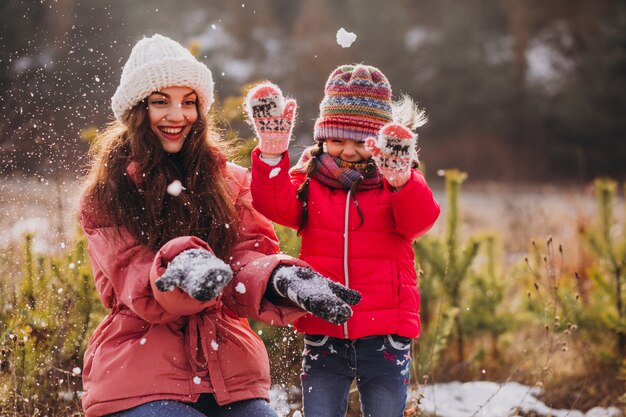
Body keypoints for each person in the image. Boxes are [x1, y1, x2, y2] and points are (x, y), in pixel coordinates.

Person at [78, 34, 360, 417]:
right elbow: (139, 282)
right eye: (161, 102)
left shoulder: (231, 181)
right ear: (136, 111)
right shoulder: (107, 194)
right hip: (139, 370)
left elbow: (246, 258)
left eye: (188, 101)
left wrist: (279, 279)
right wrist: (184, 269)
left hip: (227, 367)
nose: (178, 115)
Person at [245, 64, 441, 417]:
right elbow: (273, 204)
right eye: (337, 140)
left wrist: (402, 182)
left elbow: (419, 222)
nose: (347, 151)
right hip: (325, 329)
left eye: (359, 142)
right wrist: (272, 154)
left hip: (386, 335)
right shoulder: (310, 180)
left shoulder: (393, 182)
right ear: (323, 137)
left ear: (378, 142)